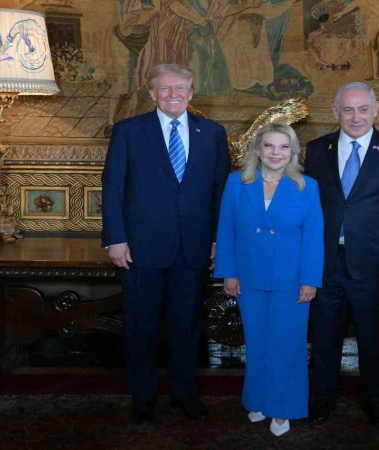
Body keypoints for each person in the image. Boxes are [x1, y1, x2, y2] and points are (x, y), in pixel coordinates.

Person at [101, 64, 230, 424]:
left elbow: (221, 190)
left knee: (186, 326)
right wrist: (115, 238)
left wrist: (219, 239)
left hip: (194, 247)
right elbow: (112, 186)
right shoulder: (129, 131)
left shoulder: (213, 133)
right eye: (165, 89)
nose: (173, 95)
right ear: (152, 93)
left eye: (180, 88)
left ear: (191, 92)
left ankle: (184, 394)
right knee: (141, 325)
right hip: (139, 247)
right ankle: (143, 398)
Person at [304, 81, 379, 427]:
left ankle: (374, 399)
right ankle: (323, 398)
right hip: (326, 260)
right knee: (324, 335)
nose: (356, 117)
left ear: (375, 110)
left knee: (372, 335)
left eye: (363, 109)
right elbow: (306, 206)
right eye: (348, 110)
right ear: (336, 112)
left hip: (374, 261)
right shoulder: (316, 149)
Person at [214, 123, 324, 436]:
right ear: (257, 149)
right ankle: (258, 400)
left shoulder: (306, 186)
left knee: (287, 344)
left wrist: (310, 280)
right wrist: (229, 272)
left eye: (284, 146)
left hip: (292, 279)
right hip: (249, 276)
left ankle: (283, 407)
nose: (276, 153)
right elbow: (226, 229)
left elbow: (314, 237)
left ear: (293, 152)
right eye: (269, 146)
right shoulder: (237, 182)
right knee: (257, 341)